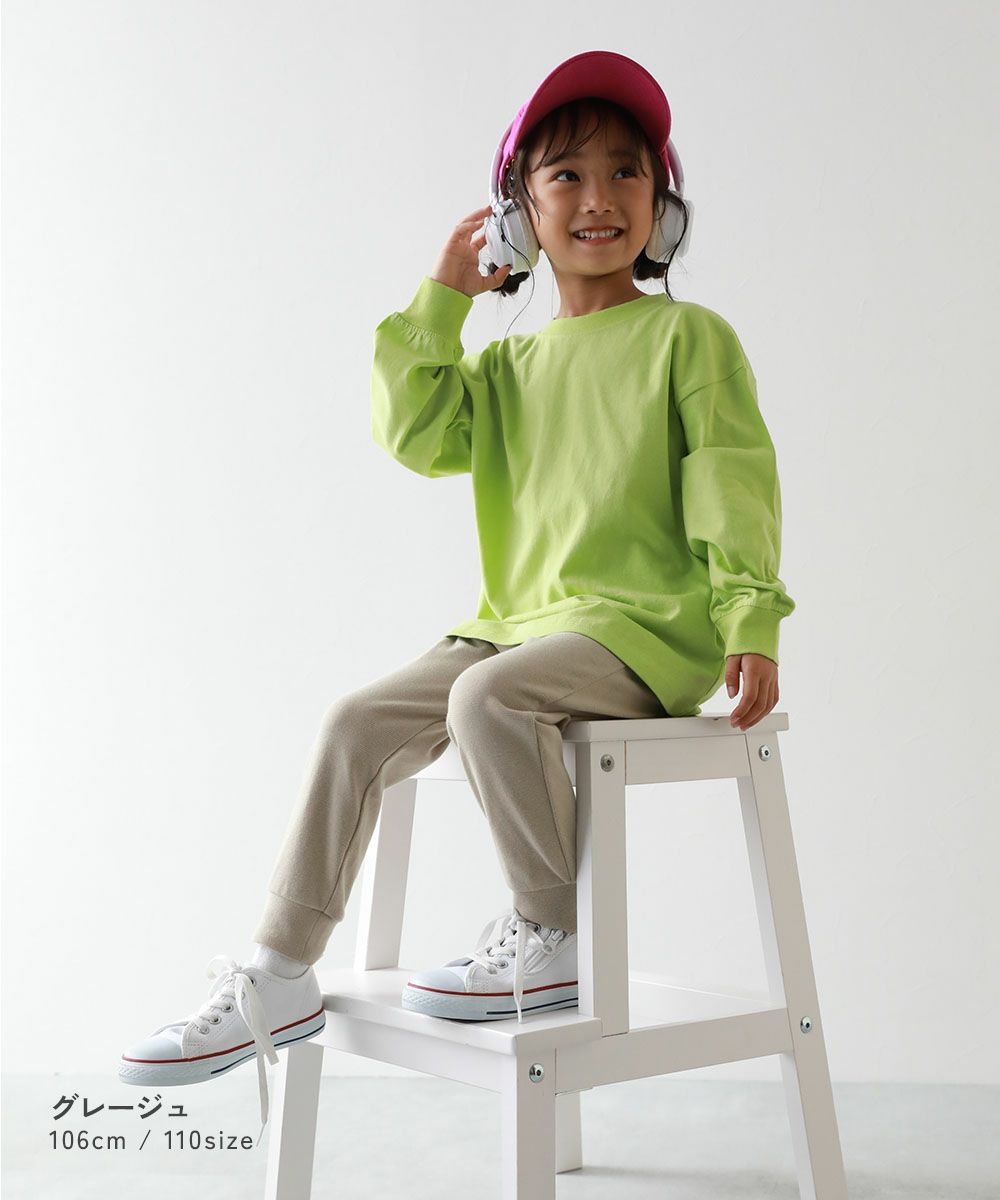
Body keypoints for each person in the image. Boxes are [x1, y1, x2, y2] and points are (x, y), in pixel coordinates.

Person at [118, 50, 795, 1140]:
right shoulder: (506, 371)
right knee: (356, 720)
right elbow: (413, 431)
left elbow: (731, 476)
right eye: (566, 176)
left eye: (627, 173)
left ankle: (549, 932)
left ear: (660, 209)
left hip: (644, 631)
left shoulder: (687, 337)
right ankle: (277, 973)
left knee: (489, 699)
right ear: (517, 216)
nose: (599, 197)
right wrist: (442, 296)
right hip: (515, 627)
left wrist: (748, 618)